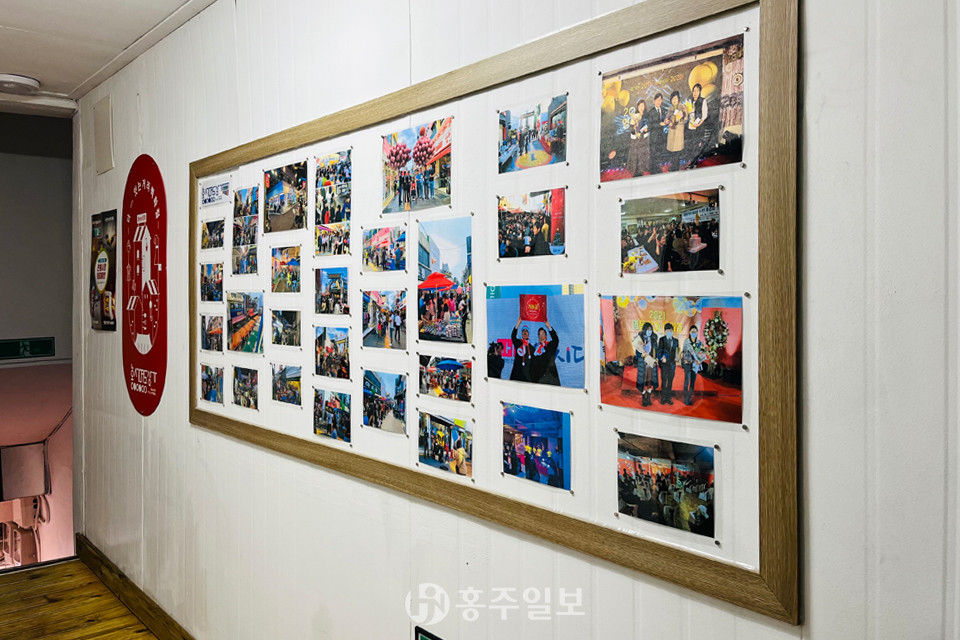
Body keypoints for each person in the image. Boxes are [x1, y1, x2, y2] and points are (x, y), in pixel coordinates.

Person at [632, 322, 658, 406]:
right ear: (644, 330)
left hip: (650, 364)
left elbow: (656, 350)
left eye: (650, 329)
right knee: (642, 381)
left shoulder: (653, 339)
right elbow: (637, 352)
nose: (649, 331)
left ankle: (649, 398)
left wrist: (656, 358)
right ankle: (644, 397)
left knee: (650, 381)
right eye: (648, 329)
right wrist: (641, 355)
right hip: (643, 363)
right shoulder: (640, 338)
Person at [681, 325, 708, 405]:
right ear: (689, 332)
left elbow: (702, 353)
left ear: (697, 333)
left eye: (695, 332)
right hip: (688, 364)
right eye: (692, 332)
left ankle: (690, 399)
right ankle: (685, 399)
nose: (693, 333)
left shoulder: (699, 343)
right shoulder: (686, 342)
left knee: (692, 383)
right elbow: (685, 353)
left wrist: (699, 361)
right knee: (687, 382)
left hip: (695, 366)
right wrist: (694, 360)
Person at [528, 321, 560, 385]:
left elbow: (556, 340)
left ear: (546, 336)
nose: (541, 336)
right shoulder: (535, 351)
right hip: (538, 381)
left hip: (550, 380)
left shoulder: (550, 346)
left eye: (543, 334)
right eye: (539, 334)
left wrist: (549, 327)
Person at [645, 93, 670, 171]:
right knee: (653, 154)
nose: (658, 102)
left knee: (659, 154)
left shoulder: (663, 110)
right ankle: (653, 169)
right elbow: (650, 126)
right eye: (657, 100)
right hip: (654, 137)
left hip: (661, 136)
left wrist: (666, 121)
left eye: (660, 100)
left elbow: (665, 120)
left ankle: (657, 168)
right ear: (654, 101)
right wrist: (659, 124)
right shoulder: (651, 112)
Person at [626, 98, 650, 177]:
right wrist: (634, 128)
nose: (641, 107)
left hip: (644, 139)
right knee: (635, 155)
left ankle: (642, 170)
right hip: (636, 139)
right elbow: (630, 128)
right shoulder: (634, 116)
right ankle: (635, 171)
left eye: (643, 106)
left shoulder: (647, 116)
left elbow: (650, 126)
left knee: (642, 155)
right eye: (640, 106)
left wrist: (647, 130)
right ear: (637, 107)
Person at [658, 323, 679, 404]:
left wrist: (677, 357)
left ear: (673, 331)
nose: (669, 332)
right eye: (667, 331)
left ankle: (668, 398)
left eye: (670, 330)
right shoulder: (662, 340)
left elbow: (677, 351)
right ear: (665, 331)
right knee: (664, 381)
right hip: (664, 364)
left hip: (672, 364)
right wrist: (662, 357)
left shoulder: (676, 341)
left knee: (670, 381)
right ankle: (663, 398)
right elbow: (659, 351)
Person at [665, 90, 688, 168]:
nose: (674, 100)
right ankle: (673, 165)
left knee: (677, 150)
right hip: (671, 131)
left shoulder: (682, 107)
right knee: (672, 150)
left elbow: (686, 119)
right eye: (672, 99)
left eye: (675, 98)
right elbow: (667, 118)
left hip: (678, 131)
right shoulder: (671, 108)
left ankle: (676, 166)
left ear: (678, 99)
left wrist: (681, 116)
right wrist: (667, 121)